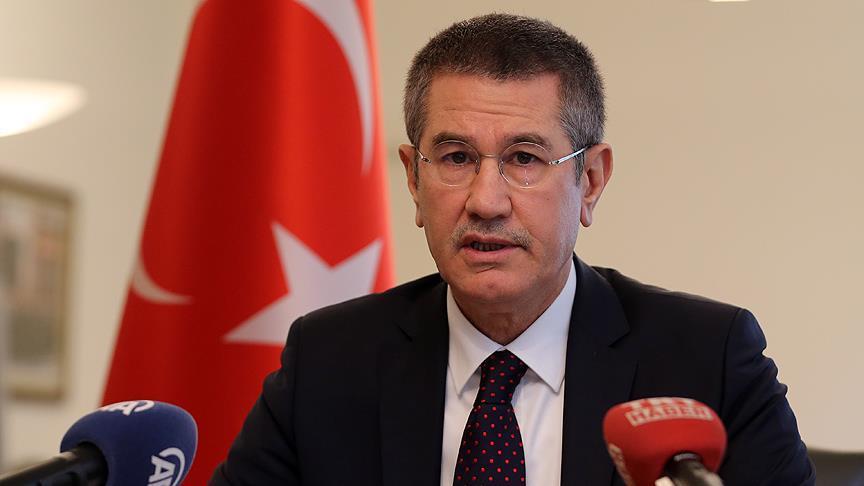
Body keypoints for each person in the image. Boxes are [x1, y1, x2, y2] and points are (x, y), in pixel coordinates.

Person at [210, 13, 814, 486]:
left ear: (590, 181)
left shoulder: (706, 361)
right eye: (455, 158)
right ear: (414, 180)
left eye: (525, 158)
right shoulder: (329, 362)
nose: (486, 201)